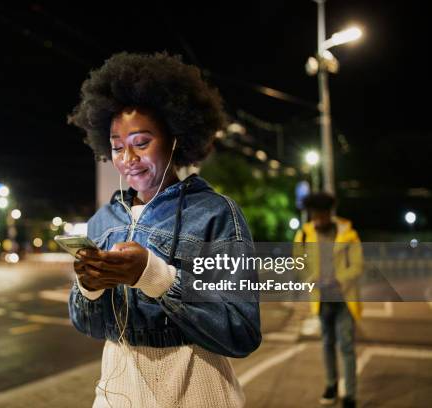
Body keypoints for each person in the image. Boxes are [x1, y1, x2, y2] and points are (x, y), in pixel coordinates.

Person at [67, 52, 261, 407]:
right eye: (116, 147)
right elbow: (88, 325)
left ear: (175, 138)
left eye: (141, 143)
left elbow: (241, 331)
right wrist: (89, 287)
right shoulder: (103, 221)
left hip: (197, 395)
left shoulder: (216, 214)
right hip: (116, 397)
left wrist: (154, 275)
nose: (127, 159)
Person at [294, 192, 363, 408]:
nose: (318, 220)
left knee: (347, 346)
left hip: (344, 299)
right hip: (321, 299)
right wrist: (311, 280)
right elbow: (298, 264)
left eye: (322, 215)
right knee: (327, 344)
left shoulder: (348, 233)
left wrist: (338, 280)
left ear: (329, 213)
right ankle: (331, 385)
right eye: (315, 216)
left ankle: (350, 395)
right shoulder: (303, 235)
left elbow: (358, 266)